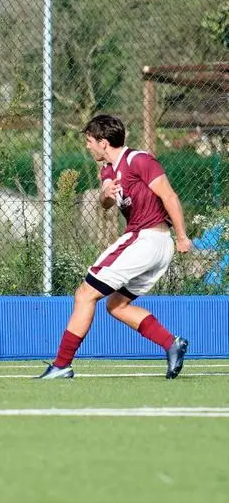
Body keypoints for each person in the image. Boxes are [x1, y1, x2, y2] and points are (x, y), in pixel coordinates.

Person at [38, 114, 191, 380]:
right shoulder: (109, 168)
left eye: (90, 141)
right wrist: (105, 195)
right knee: (116, 305)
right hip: (151, 245)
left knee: (85, 294)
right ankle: (171, 343)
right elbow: (107, 198)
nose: (87, 146)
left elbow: (169, 195)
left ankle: (62, 364)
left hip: (147, 239)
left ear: (104, 142)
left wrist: (182, 236)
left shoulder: (139, 160)